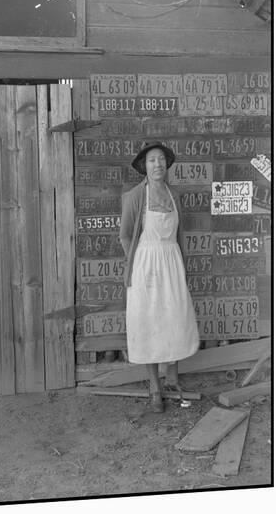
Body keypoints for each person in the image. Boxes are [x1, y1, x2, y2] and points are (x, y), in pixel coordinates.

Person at [120, 140, 199, 413]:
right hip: (146, 266)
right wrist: (136, 260)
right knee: (149, 323)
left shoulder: (173, 195)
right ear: (144, 166)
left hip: (172, 261)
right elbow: (125, 234)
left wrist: (180, 264)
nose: (158, 164)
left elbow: (179, 234)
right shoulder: (134, 197)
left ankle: (172, 378)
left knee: (175, 318)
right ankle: (154, 386)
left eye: (161, 160)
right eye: (152, 160)